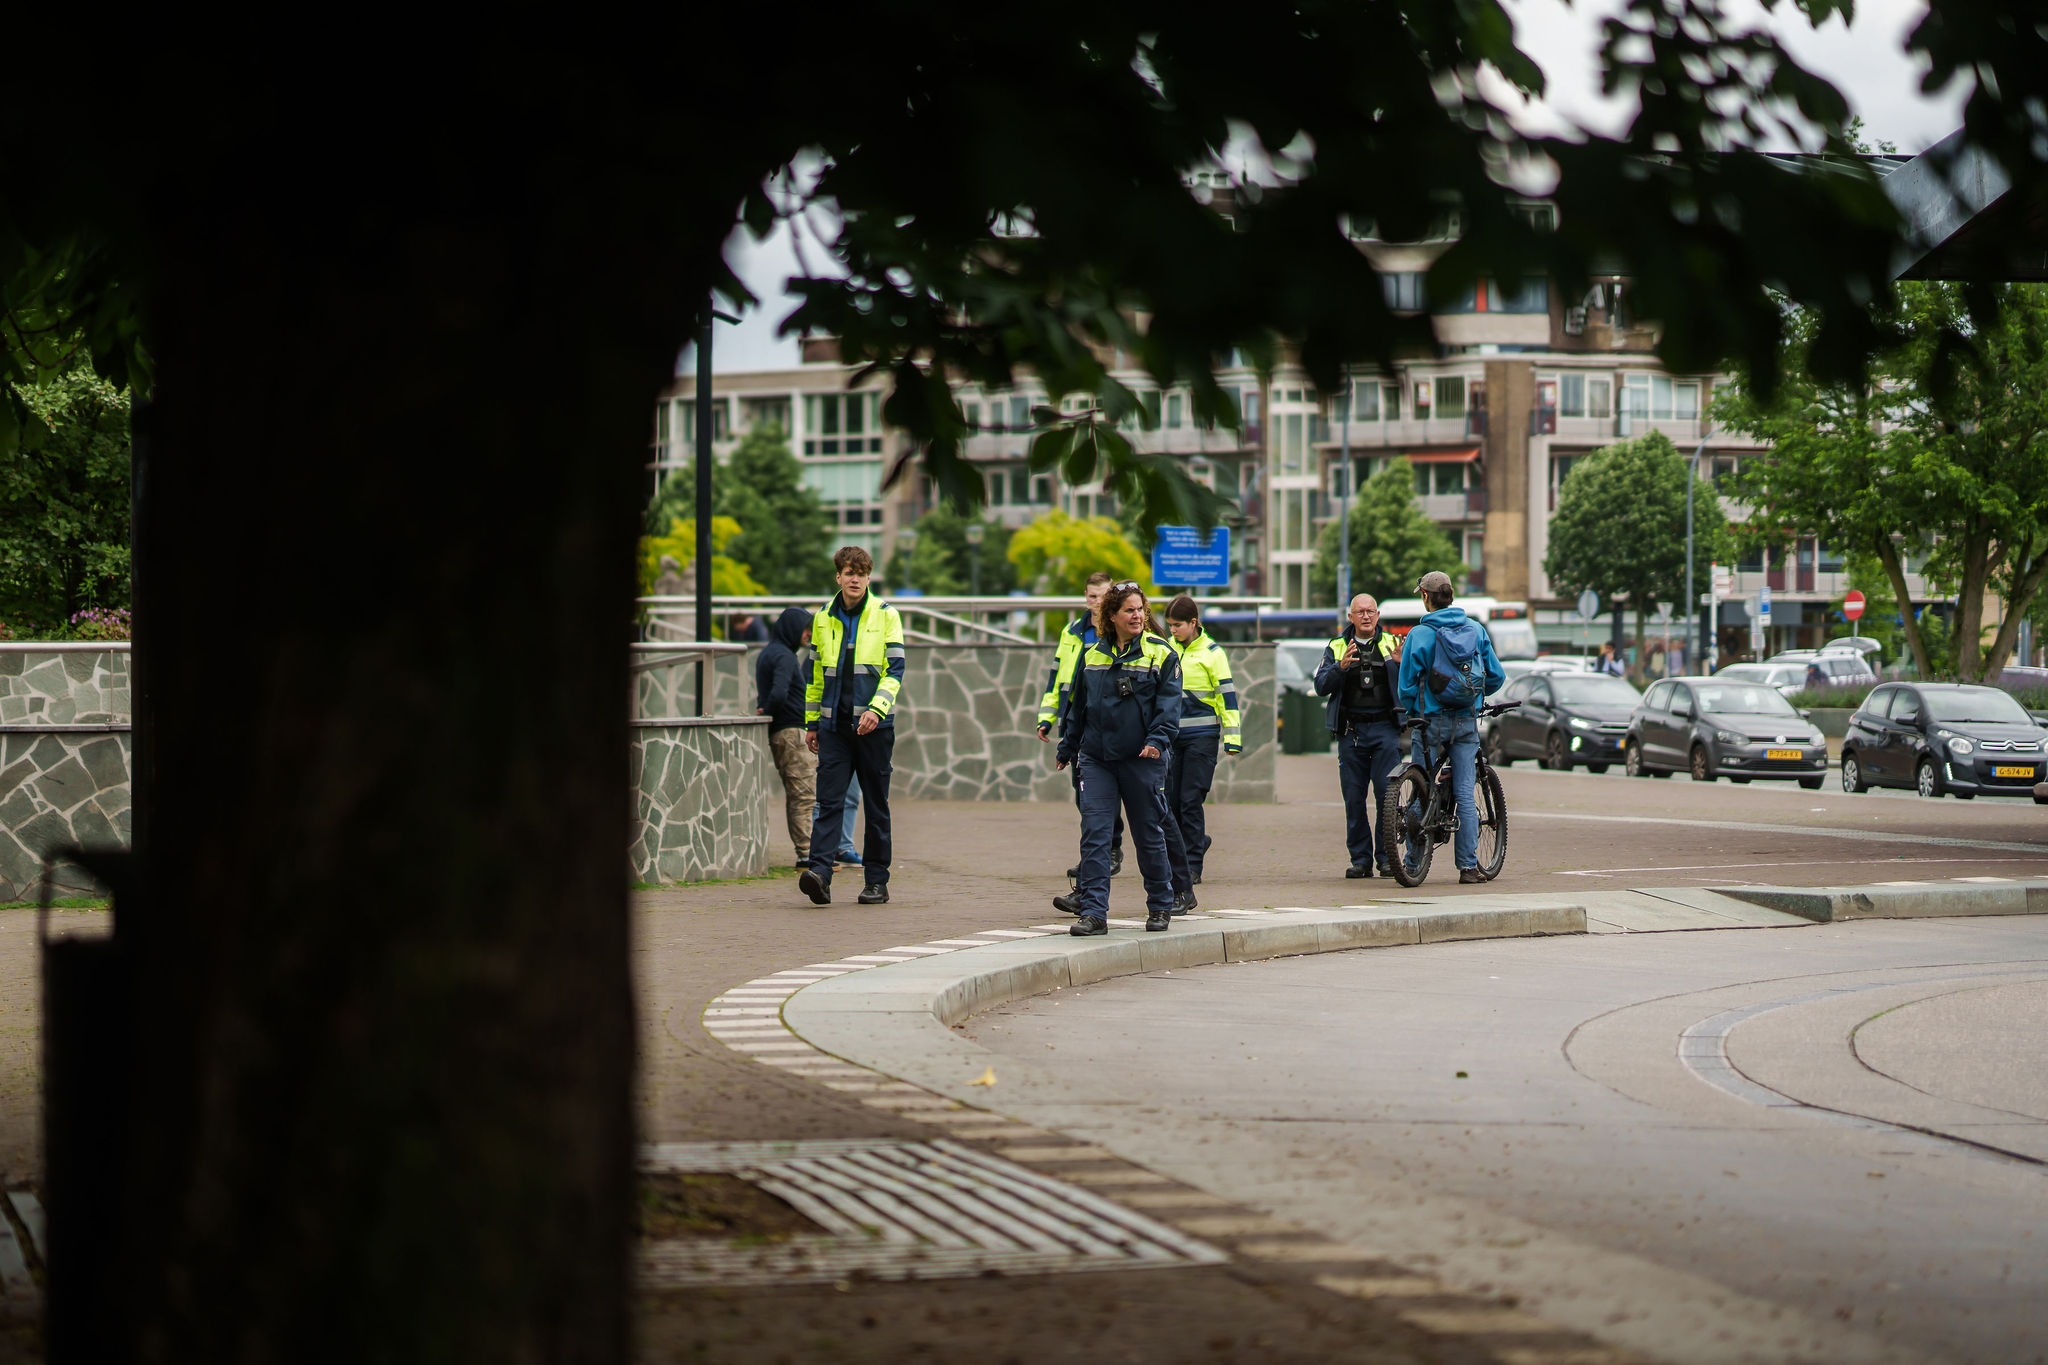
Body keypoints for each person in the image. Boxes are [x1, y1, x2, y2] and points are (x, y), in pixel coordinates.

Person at [1054, 582, 1182, 936]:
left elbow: (1169, 707)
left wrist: (1157, 741)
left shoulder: (1161, 653)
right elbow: (1078, 707)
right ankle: (1094, 914)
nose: (1137, 615)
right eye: (1129, 610)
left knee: (1148, 835)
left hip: (1143, 759)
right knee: (1095, 834)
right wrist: (1068, 748)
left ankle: (1160, 905)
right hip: (1096, 760)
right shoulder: (1092, 653)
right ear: (1112, 616)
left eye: (1140, 609)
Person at [798, 546, 905, 907]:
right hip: (833, 729)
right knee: (828, 803)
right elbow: (814, 674)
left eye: (861, 572)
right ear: (838, 577)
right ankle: (820, 876)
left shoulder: (887, 615)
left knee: (876, 805)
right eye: (848, 572)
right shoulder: (822, 618)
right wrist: (812, 722)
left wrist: (877, 709)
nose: (855, 578)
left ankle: (877, 881)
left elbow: (896, 670)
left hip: (875, 728)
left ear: (869, 577)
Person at [1395, 571, 1506, 884]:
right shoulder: (1476, 629)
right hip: (1465, 720)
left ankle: (1412, 863)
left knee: (1420, 789)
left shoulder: (1420, 634)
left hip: (1429, 722)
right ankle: (1468, 868)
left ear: (1426, 597)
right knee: (1465, 795)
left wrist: (1415, 710)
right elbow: (1495, 676)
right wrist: (1476, 697)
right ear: (1452, 596)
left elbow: (1406, 686)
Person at [1036, 570, 1122, 878]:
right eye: (1092, 596)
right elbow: (1056, 680)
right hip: (1077, 721)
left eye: (1103, 595)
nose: (1097, 602)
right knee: (1083, 793)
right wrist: (1046, 717)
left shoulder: (1119, 629)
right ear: (1085, 598)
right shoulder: (1072, 632)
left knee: (1105, 792)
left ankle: (1111, 849)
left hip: (1110, 720)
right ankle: (1095, 855)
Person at [1315, 593, 1404, 879]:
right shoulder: (1337, 646)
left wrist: (1401, 666)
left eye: (1371, 611)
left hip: (1385, 731)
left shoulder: (1393, 644)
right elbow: (1320, 685)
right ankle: (1361, 860)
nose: (1366, 616)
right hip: (1351, 732)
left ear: (1378, 616)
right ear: (1350, 617)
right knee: (1354, 799)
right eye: (1360, 612)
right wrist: (1340, 668)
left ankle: (1387, 859)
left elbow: (1412, 684)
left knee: (1386, 797)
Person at [1161, 595, 1239, 908]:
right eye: (1169, 626)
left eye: (1178, 625)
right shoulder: (1167, 649)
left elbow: (1227, 697)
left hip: (1202, 738)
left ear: (1194, 622)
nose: (1173, 630)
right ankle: (1191, 849)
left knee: (1190, 801)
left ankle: (1193, 865)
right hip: (1171, 738)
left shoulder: (1213, 653)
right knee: (1171, 802)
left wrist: (1233, 737)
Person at [755, 606, 816, 867]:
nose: (808, 634)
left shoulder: (768, 653)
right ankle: (807, 854)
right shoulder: (785, 656)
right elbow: (779, 693)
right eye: (805, 629)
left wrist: (765, 712)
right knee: (803, 793)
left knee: (798, 792)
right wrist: (768, 710)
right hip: (792, 731)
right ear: (792, 628)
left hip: (781, 732)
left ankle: (808, 851)